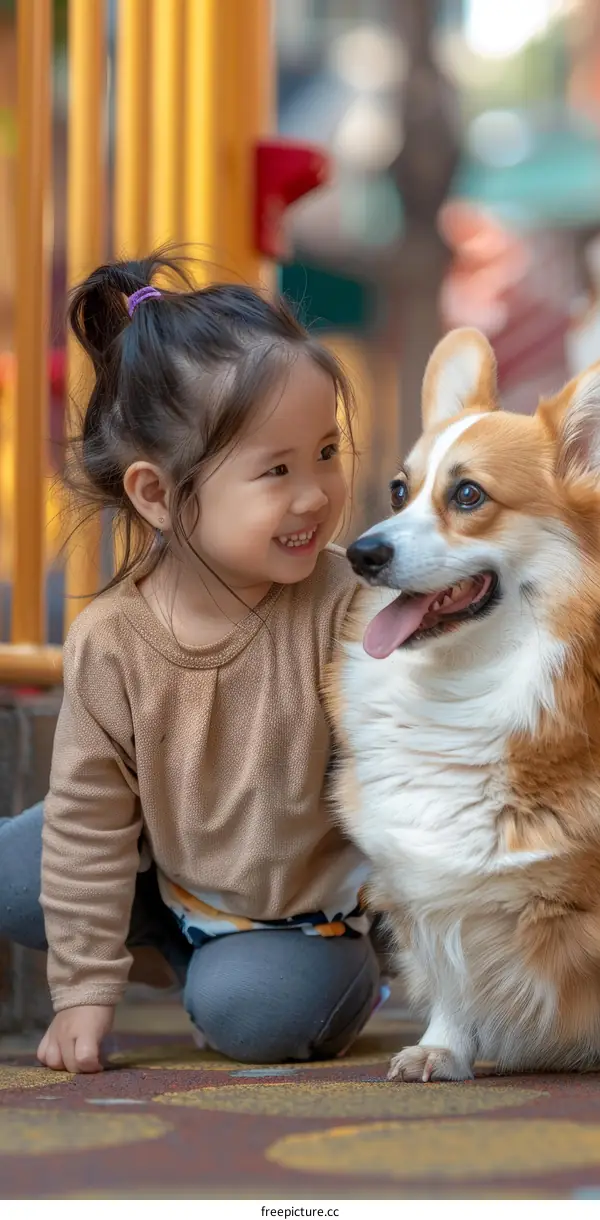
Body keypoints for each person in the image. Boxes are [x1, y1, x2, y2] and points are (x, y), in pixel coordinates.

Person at [0, 252, 386, 1074]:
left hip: (300, 915)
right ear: (156, 495)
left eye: (325, 451)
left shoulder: (345, 601)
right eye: (276, 471)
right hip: (171, 884)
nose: (315, 493)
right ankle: (188, 958)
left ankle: (290, 976)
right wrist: (81, 990)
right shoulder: (112, 639)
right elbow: (88, 823)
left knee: (257, 1016)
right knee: (16, 866)